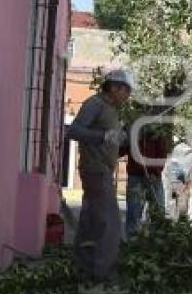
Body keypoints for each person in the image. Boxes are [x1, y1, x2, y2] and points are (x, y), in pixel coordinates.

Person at [66, 69, 133, 283]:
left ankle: (83, 268)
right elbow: (74, 131)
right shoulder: (95, 104)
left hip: (102, 169)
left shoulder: (111, 109)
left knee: (89, 221)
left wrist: (118, 139)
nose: (128, 95)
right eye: (126, 90)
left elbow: (108, 139)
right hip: (95, 170)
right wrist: (104, 136)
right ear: (114, 87)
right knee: (110, 223)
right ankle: (103, 274)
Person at [124, 106, 174, 237]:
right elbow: (122, 149)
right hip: (135, 176)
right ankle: (132, 242)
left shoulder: (157, 132)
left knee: (158, 210)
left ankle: (157, 241)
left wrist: (155, 172)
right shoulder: (132, 132)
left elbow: (162, 154)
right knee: (134, 212)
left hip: (154, 177)